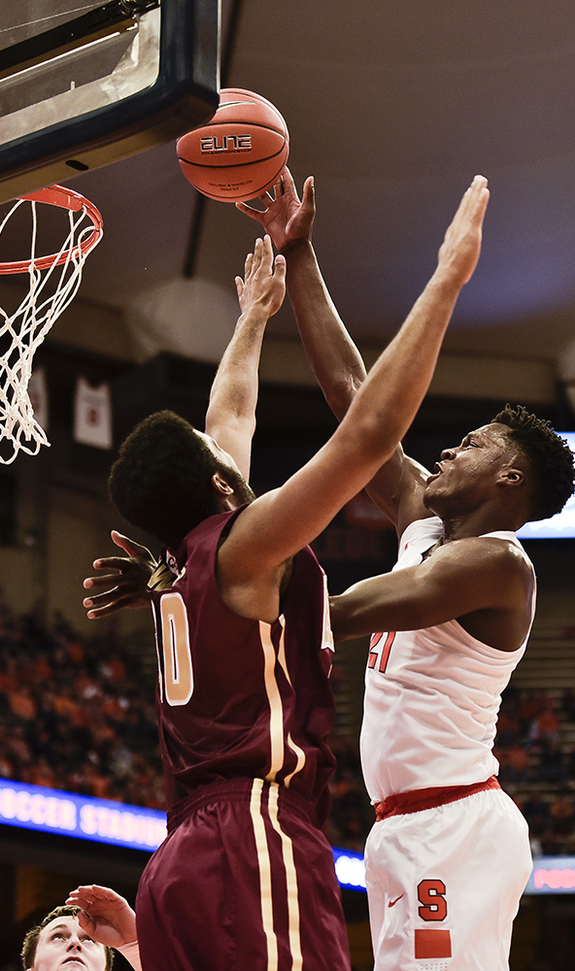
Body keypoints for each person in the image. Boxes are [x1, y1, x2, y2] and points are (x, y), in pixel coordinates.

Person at [86, 180, 490, 971]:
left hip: (186, 856)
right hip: (254, 833)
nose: (228, 447)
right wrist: (446, 278)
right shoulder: (243, 544)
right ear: (216, 487)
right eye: (220, 462)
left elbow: (228, 416)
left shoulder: (189, 557)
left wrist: (252, 321)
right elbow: (369, 433)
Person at [235, 169, 575, 970]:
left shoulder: (501, 567)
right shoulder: (427, 519)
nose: (453, 446)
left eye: (478, 443)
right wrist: (302, 251)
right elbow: (358, 401)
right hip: (403, 826)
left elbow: (363, 607)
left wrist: (237, 566)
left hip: (454, 827)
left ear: (510, 482)